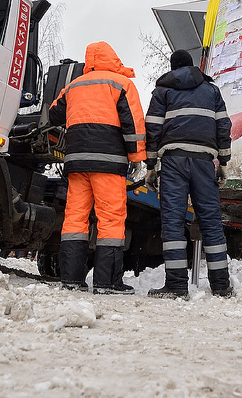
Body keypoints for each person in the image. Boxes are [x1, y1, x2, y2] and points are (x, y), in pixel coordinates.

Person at [49, 41, 145, 295]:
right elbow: (133, 126)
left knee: (75, 218)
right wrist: (137, 158)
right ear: (113, 58)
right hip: (109, 163)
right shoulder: (122, 84)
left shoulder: (74, 85)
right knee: (111, 219)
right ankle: (106, 282)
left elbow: (53, 115)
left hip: (77, 162)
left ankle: (71, 279)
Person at [144, 49, 233, 299]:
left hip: (173, 160)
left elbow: (152, 128)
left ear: (173, 68)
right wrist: (223, 161)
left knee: (172, 222)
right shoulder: (212, 90)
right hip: (205, 161)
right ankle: (221, 285)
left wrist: (151, 166)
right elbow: (223, 125)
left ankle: (176, 286)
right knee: (211, 221)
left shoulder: (163, 90)